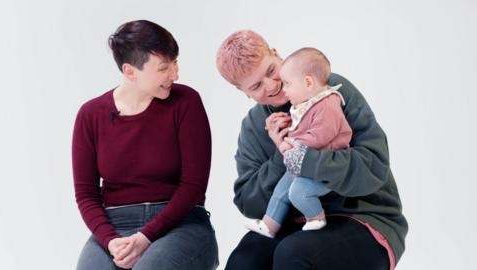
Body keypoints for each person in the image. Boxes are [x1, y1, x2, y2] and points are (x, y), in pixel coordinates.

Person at [216, 30, 407, 270]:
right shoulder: (254, 125)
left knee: (294, 254)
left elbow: (374, 166)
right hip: (294, 225)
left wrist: (300, 155)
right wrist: (281, 152)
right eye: (256, 86)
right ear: (242, 91)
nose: (273, 86)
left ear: (276, 54)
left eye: (271, 70)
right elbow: (249, 203)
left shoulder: (329, 90)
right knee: (243, 262)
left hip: (364, 217)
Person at [72, 20, 218, 270]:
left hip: (180, 223)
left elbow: (193, 185)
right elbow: (86, 194)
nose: (175, 74)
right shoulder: (90, 115)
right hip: (114, 227)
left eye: (175, 62)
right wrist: (110, 241)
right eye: (164, 68)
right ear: (130, 72)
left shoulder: (186, 102)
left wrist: (146, 237)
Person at [245, 47, 352, 238]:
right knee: (281, 189)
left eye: (287, 84)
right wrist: (286, 130)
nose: (283, 89)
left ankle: (316, 218)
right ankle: (269, 225)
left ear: (308, 82)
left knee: (298, 191)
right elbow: (303, 129)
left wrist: (293, 142)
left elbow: (322, 135)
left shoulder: (327, 103)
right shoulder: (305, 104)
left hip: (326, 168)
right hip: (304, 164)